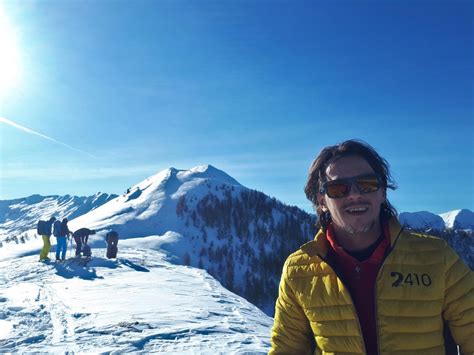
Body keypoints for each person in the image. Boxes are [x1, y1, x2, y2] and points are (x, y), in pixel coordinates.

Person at [270, 139, 473, 354]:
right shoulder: (299, 270)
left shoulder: (436, 257)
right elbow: (286, 349)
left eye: (367, 184)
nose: (355, 194)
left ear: (383, 192)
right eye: (338, 188)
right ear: (322, 201)